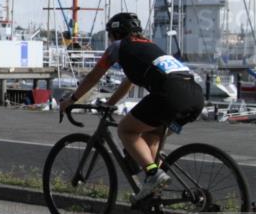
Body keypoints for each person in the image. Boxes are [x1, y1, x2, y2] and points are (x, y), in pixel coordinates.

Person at [59, 12, 204, 202]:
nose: (110, 39)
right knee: (150, 137)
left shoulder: (118, 47)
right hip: (195, 97)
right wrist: (110, 104)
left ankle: (153, 175)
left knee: (126, 130)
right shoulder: (148, 47)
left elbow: (94, 76)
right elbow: (128, 83)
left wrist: (72, 99)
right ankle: (154, 194)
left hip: (170, 95)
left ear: (116, 33)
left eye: (110, 35)